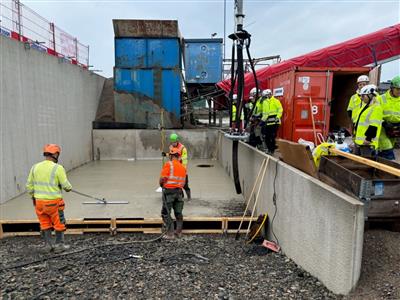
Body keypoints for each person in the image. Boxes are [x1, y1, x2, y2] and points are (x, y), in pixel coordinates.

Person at [26, 144, 72, 252]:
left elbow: (29, 186)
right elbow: (66, 186)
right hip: (54, 203)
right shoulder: (58, 168)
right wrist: (68, 188)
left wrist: (33, 196)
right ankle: (59, 245)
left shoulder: (35, 167)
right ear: (55, 154)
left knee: (44, 223)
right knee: (59, 223)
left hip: (39, 203)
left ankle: (48, 245)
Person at [159, 148, 187, 239]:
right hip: (179, 193)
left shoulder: (169, 164)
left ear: (171, 156)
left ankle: (170, 233)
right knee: (178, 213)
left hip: (169, 193)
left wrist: (161, 184)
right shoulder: (183, 167)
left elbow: (163, 179)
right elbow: (184, 182)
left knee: (166, 213)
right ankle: (178, 232)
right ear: (179, 156)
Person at [353, 85, 383, 157]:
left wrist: (368, 139)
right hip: (359, 141)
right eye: (361, 96)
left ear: (370, 95)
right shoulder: (365, 106)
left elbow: (373, 126)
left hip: (367, 143)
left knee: (366, 165)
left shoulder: (376, 108)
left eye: (363, 96)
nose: (361, 98)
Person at [378, 75, 400, 160]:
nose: (399, 91)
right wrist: (384, 123)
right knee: (388, 151)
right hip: (382, 129)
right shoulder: (381, 99)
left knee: (384, 152)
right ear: (391, 88)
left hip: (394, 129)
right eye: (398, 89)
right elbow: (374, 116)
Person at [165, 133, 191, 200]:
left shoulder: (182, 148)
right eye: (172, 142)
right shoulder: (171, 147)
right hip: (175, 170)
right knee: (177, 186)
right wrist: (166, 154)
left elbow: (185, 157)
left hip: (182, 170)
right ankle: (180, 198)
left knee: (185, 185)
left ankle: (189, 197)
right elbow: (171, 155)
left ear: (177, 141)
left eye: (174, 142)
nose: (173, 143)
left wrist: (179, 159)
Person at [260, 89, 283, 154]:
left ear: (269, 94)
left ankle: (271, 150)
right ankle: (270, 149)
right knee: (267, 137)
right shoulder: (265, 102)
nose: (264, 97)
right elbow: (265, 113)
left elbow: (280, 110)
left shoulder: (276, 101)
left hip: (275, 123)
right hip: (268, 123)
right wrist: (262, 121)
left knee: (272, 137)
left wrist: (277, 117)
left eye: (265, 96)